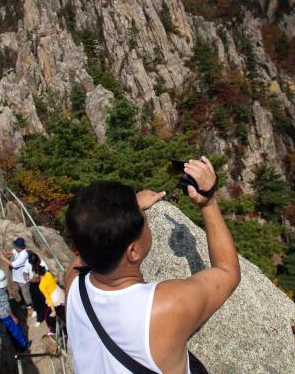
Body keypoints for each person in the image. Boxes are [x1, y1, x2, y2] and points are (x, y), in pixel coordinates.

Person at [64, 158, 240, 374]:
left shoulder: (73, 282)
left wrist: (124, 214)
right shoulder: (164, 306)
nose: (145, 217)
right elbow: (227, 272)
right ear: (133, 251)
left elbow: (89, 240)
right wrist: (208, 201)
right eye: (144, 218)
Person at [0, 269, 30, 351]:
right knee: (15, 329)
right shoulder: (2, 293)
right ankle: (23, 346)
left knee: (10, 330)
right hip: (5, 315)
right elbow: (7, 308)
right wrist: (14, 317)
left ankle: (17, 345)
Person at [0, 237, 33, 313]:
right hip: (18, 277)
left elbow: (14, 265)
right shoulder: (19, 251)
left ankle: (31, 306)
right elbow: (13, 251)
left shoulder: (23, 255)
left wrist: (4, 258)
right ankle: (27, 303)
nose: (14, 247)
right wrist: (6, 253)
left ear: (19, 247)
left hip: (23, 279)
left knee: (26, 292)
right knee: (22, 291)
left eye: (15, 246)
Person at [36, 257, 66, 337]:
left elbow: (48, 297)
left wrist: (53, 310)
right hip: (60, 292)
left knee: (48, 316)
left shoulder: (41, 285)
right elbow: (55, 280)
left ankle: (53, 330)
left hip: (55, 299)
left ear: (37, 274)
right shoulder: (48, 274)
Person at [26, 252, 50, 328]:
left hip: (41, 286)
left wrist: (36, 279)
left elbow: (44, 277)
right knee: (35, 300)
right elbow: (26, 269)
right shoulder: (31, 261)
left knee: (42, 302)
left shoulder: (42, 265)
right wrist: (26, 275)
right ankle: (37, 311)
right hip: (33, 284)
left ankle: (41, 318)